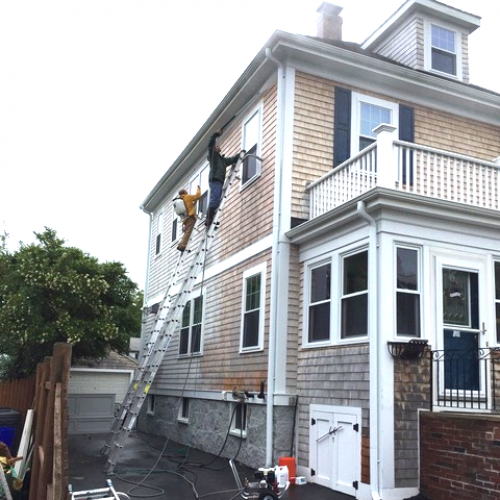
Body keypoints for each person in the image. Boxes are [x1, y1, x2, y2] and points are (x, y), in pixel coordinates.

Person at [206, 129, 245, 227]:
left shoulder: (222, 160)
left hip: (219, 181)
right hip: (215, 179)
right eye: (217, 146)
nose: (219, 147)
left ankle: (211, 219)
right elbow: (210, 145)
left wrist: (240, 154)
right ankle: (208, 219)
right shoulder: (213, 156)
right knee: (214, 201)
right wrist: (215, 134)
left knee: (216, 201)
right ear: (214, 149)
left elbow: (232, 160)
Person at [176, 186, 201, 252]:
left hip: (185, 220)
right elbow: (197, 196)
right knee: (188, 232)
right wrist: (198, 189)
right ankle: (181, 245)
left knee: (187, 232)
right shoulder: (187, 197)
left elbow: (188, 206)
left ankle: (182, 244)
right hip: (190, 218)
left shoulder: (181, 199)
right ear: (185, 192)